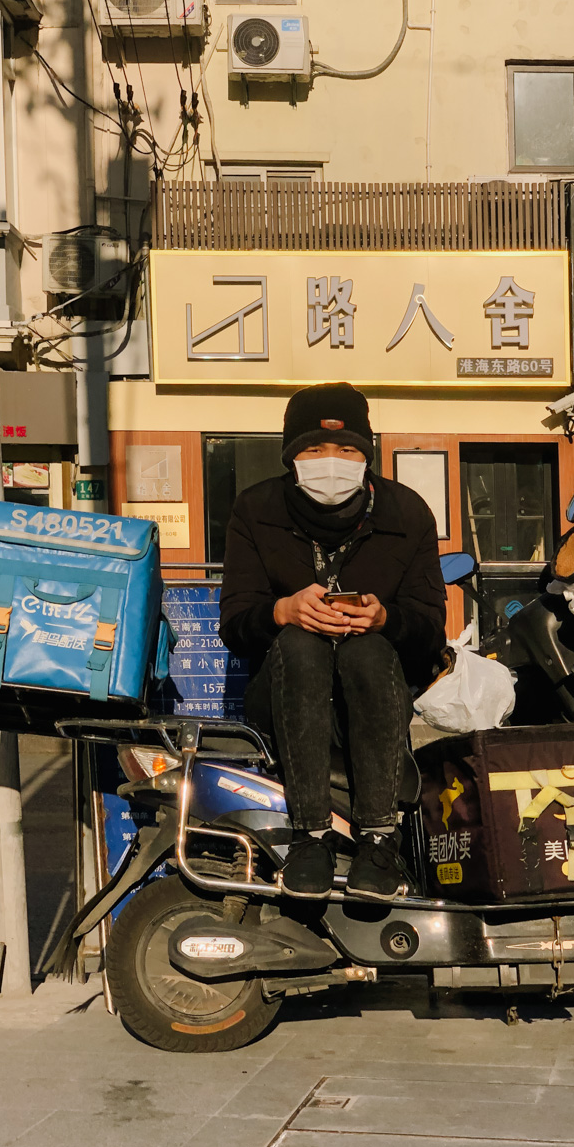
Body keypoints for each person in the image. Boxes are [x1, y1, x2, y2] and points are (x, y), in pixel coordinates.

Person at [219, 382, 447, 901]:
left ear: (366, 455)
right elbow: (234, 623)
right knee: (301, 643)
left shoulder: (407, 514)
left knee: (367, 650)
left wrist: (385, 618)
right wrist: (282, 611)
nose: (331, 461)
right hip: (285, 696)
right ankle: (310, 837)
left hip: (376, 698)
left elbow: (431, 628)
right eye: (314, 449)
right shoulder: (255, 510)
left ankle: (379, 839)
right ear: (291, 456)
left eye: (347, 449)